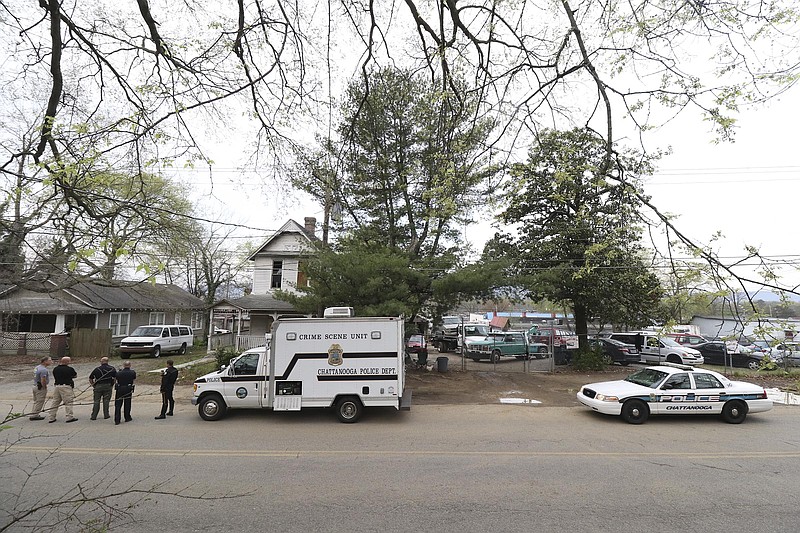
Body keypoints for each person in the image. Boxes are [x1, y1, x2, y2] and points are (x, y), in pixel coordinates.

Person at [47, 356, 78, 423]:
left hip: (57, 386)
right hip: (66, 386)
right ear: (66, 362)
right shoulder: (70, 369)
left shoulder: (56, 369)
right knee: (68, 402)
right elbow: (75, 375)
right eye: (69, 361)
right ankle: (69, 417)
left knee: (55, 402)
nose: (69, 362)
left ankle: (51, 417)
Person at [89, 356, 117, 420]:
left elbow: (90, 378)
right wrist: (112, 384)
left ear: (102, 362)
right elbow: (115, 378)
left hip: (98, 386)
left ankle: (94, 416)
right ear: (107, 361)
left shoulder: (97, 369)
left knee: (96, 401)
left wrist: (93, 385)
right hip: (108, 386)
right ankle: (106, 415)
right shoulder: (112, 368)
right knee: (106, 401)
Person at [114, 360, 136, 425]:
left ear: (123, 365)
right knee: (127, 403)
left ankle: (117, 419)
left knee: (118, 404)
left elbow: (115, 380)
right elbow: (133, 379)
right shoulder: (132, 372)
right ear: (130, 365)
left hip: (120, 388)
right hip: (128, 388)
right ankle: (127, 417)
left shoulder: (119, 373)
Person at [29, 356, 52, 420]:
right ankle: (35, 415)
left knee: (36, 401)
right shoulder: (44, 370)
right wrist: (44, 387)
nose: (51, 362)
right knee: (40, 401)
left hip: (35, 385)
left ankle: (33, 413)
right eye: (49, 360)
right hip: (40, 387)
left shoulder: (37, 367)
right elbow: (43, 379)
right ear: (45, 361)